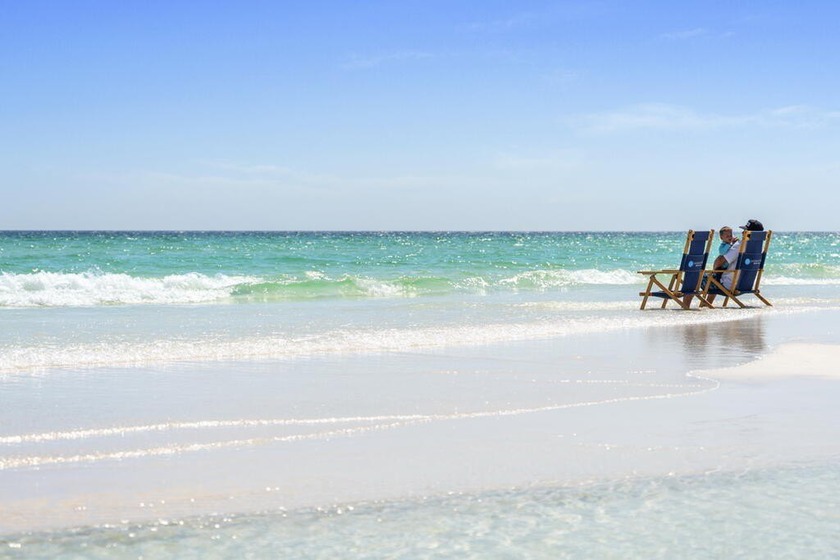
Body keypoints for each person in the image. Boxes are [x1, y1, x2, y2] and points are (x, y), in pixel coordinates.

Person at [706, 219, 764, 305]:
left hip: (729, 285)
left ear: (749, 233)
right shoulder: (759, 248)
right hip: (746, 284)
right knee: (715, 277)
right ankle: (707, 304)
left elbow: (719, 262)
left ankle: (704, 304)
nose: (742, 233)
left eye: (745, 231)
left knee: (705, 276)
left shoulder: (740, 245)